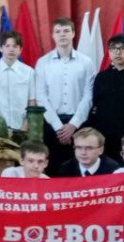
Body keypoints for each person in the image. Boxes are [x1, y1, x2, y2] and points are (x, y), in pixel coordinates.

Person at [35, 17, 97, 173]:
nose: (62, 34)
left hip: (79, 123)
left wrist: (73, 124)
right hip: (51, 124)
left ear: (73, 33)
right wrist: (58, 127)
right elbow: (41, 96)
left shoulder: (86, 62)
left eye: (66, 31)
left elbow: (88, 96)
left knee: (79, 170)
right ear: (53, 35)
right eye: (58, 31)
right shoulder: (43, 62)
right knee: (52, 169)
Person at [58, 127, 122, 177]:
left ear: (101, 150)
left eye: (89, 148)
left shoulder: (112, 169)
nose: (83, 153)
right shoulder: (66, 169)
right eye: (78, 147)